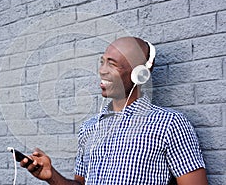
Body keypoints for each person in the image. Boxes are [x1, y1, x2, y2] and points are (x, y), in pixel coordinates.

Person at [20, 37, 208, 185]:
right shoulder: (90, 128)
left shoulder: (169, 124)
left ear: (139, 74)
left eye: (112, 64)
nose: (102, 70)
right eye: (102, 62)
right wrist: (51, 176)